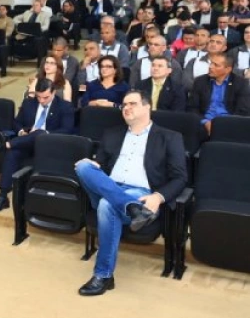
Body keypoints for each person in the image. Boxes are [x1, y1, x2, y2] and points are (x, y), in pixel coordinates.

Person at [74, 90, 186, 296]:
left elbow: (180, 178)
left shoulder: (169, 137)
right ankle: (131, 208)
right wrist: (95, 165)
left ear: (147, 106)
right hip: (109, 187)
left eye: (132, 103)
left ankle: (103, 276)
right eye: (124, 105)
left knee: (107, 205)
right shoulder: (112, 133)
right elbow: (101, 166)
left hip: (141, 194)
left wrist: (158, 197)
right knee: (82, 166)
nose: (126, 108)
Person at [0, 79, 75, 212]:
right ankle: (3, 195)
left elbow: (67, 130)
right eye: (39, 97)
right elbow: (16, 123)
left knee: (40, 133)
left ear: (54, 92)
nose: (41, 101)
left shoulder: (65, 106)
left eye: (45, 97)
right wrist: (22, 131)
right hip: (26, 142)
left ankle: (2, 146)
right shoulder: (29, 103)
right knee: (12, 153)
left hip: (50, 146)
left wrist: (45, 133)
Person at [188, 53, 250, 135]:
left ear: (228, 69)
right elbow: (193, 107)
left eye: (216, 65)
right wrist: (205, 122)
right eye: (211, 63)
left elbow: (242, 110)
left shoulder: (241, 83)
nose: (210, 67)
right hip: (204, 123)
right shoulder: (200, 81)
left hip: (229, 124)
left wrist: (223, 124)